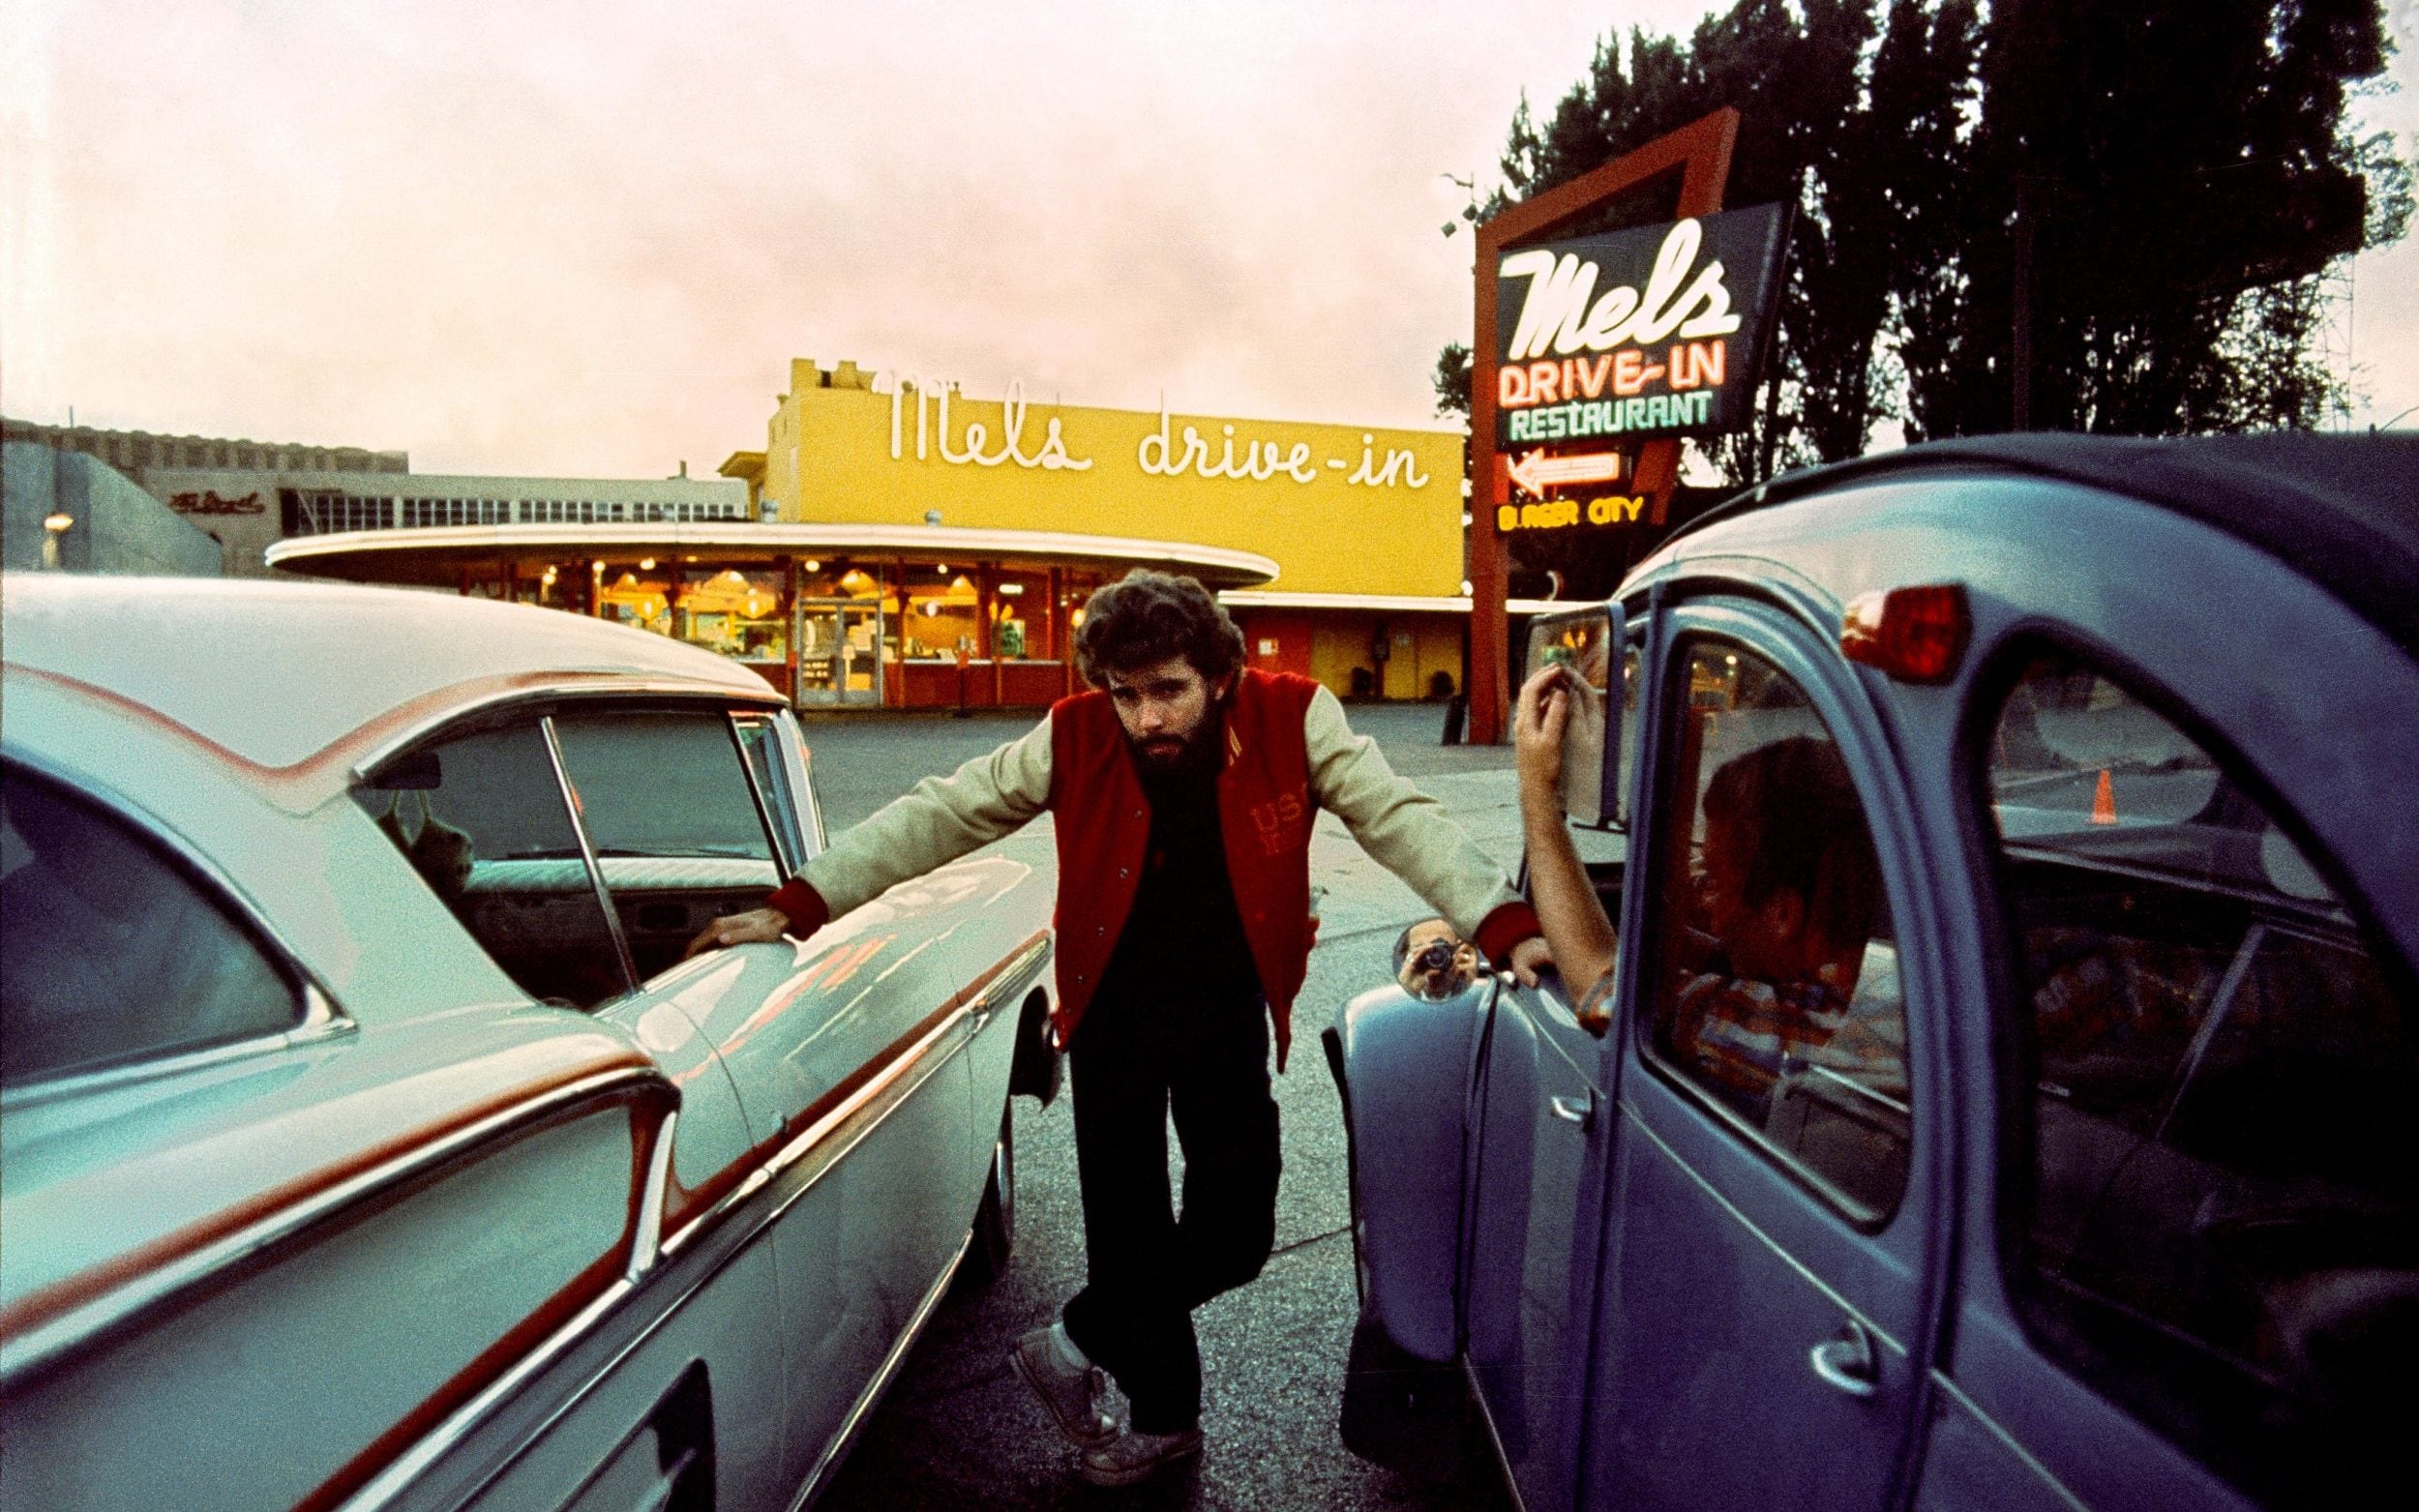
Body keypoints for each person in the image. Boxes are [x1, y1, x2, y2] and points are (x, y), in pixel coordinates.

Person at [693, 570, 1549, 1486]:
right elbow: (941, 812)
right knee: (1128, 1230)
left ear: (1218, 674)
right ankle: (1161, 1418)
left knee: (1236, 1230)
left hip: (1225, 1013)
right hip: (1109, 1018)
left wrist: (1506, 923)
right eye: (1125, 693)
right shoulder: (1074, 733)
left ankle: (1075, 1339)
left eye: (1168, 690)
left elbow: (1399, 819)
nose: (1145, 718)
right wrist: (801, 903)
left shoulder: (1294, 716)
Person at [1514, 666, 1894, 1112]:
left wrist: (1537, 790)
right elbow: (1729, 952)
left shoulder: (1793, 1032)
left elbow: (1605, 993)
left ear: (1783, 913)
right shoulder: (1874, 982)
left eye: (1713, 881)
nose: (1700, 899)